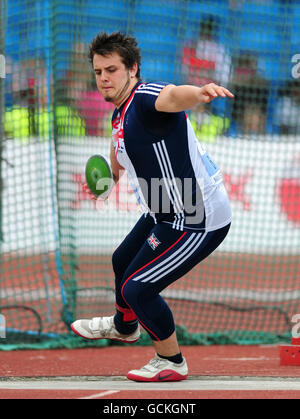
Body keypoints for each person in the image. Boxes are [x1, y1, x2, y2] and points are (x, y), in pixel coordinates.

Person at [71, 32, 234, 382]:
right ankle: (125, 326)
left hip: (196, 214)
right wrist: (107, 180)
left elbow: (174, 95)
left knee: (137, 288)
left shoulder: (145, 98)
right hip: (164, 209)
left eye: (111, 69)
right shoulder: (119, 114)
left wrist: (199, 92)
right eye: (98, 71)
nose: (103, 78)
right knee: (121, 261)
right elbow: (119, 153)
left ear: (133, 69)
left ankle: (171, 360)